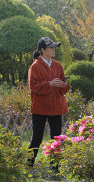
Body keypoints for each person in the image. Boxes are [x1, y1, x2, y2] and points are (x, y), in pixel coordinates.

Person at [27, 37, 70, 167]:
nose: (53, 50)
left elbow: (64, 88)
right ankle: (28, 165)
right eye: (51, 47)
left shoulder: (58, 65)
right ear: (42, 50)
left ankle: (55, 167)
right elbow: (33, 87)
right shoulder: (34, 67)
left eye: (54, 47)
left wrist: (64, 85)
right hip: (40, 108)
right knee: (37, 139)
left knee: (56, 139)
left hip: (57, 107)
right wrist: (50, 84)